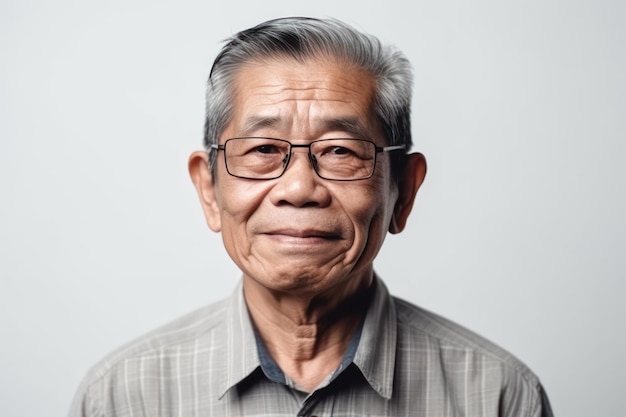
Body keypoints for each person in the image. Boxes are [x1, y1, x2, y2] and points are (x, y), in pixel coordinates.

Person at [68, 17, 553, 417]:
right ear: (209, 189)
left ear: (403, 190)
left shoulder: (497, 396)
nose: (299, 188)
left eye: (341, 150)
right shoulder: (123, 397)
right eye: (262, 149)